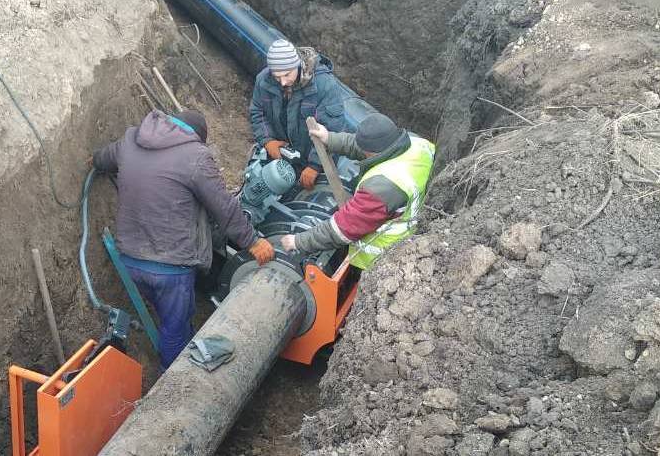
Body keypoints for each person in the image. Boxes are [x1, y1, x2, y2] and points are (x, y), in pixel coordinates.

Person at [91, 109, 275, 369]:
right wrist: (253, 241)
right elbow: (224, 207)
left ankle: (185, 352)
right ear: (196, 137)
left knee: (171, 319)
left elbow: (101, 159)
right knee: (173, 329)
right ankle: (174, 386)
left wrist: (96, 160)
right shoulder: (196, 157)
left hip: (130, 261)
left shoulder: (131, 139)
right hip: (171, 269)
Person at [279, 113, 435, 270]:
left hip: (385, 259)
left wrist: (298, 242)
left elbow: (343, 228)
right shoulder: (417, 144)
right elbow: (363, 147)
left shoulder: (383, 186)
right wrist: (329, 138)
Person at [249, 39, 349, 190]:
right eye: (277, 77)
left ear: (297, 65)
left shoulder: (324, 86)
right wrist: (267, 140)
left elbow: (332, 129)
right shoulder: (264, 80)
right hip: (281, 155)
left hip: (310, 161)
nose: (282, 82)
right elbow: (257, 111)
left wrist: (316, 165)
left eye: (287, 75)